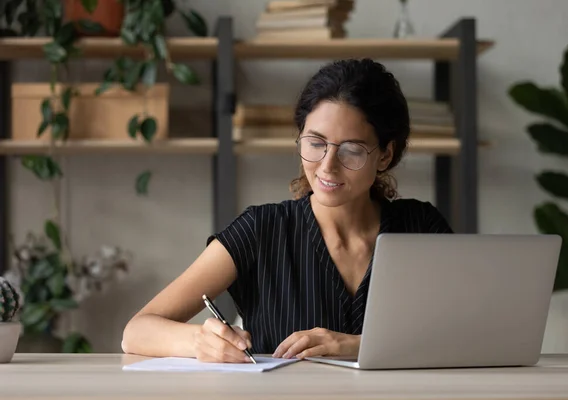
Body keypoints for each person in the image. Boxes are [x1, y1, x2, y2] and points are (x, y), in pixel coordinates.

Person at [121, 58, 453, 363]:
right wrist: (200, 341)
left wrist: (358, 345)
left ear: (385, 155)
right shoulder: (261, 229)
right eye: (315, 143)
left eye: (351, 150)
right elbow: (137, 331)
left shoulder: (421, 227)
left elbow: (471, 335)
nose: (327, 167)